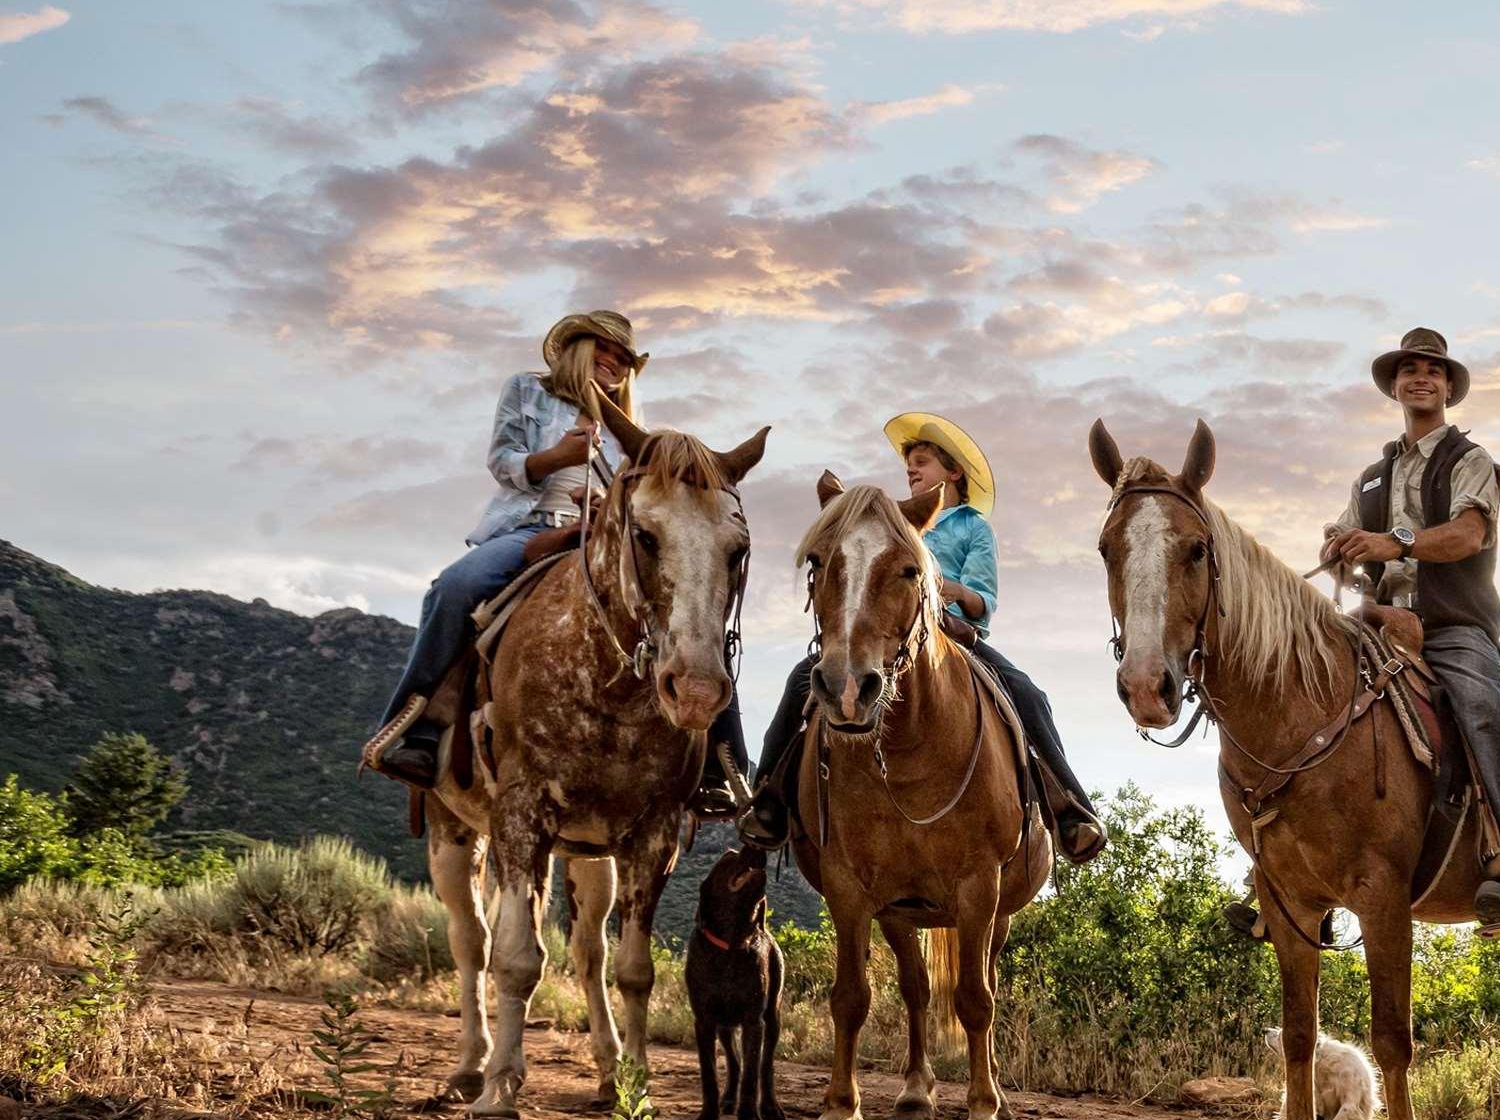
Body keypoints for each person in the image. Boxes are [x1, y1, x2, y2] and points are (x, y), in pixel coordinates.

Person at [361, 310, 746, 814]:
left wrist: (607, 508)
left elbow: (642, 506)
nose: (612, 362)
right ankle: (419, 726)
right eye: (601, 350)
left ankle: (723, 762)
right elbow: (504, 463)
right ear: (573, 352)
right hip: (530, 526)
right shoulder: (527, 390)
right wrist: (558, 458)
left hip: (604, 539)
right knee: (455, 587)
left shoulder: (635, 433)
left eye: (622, 358)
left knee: (692, 604)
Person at [742, 414, 1105, 864]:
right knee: (801, 680)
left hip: (954, 635)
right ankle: (769, 798)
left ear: (953, 473)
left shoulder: (973, 527)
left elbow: (984, 599)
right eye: (908, 464)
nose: (911, 470)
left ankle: (1067, 805)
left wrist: (952, 592)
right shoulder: (891, 523)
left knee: (1028, 694)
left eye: (923, 462)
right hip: (888, 639)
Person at [1317, 327, 1500, 949]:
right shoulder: (1369, 479)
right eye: (1409, 369)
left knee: (1484, 712)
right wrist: (1339, 552)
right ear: (1395, 386)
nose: (1421, 378)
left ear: (1448, 387)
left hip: (1453, 625)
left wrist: (1395, 543)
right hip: (1378, 622)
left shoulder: (1472, 461)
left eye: (1433, 371)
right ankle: (1286, 873)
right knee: (1304, 689)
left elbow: (1469, 535)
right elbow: (1340, 539)